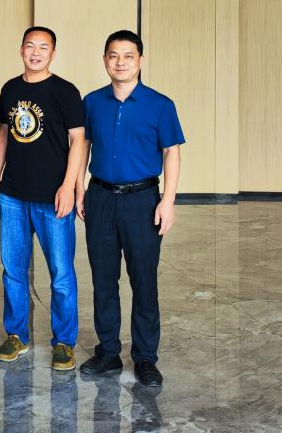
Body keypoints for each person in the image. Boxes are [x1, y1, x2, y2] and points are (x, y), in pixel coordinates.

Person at [77, 30, 184, 388]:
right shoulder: (93, 102)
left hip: (143, 200)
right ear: (105, 60)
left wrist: (168, 200)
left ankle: (145, 357)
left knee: (144, 279)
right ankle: (108, 351)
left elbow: (171, 152)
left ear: (140, 60)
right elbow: (83, 147)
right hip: (101, 196)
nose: (120, 62)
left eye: (128, 56)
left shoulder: (160, 104)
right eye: (113, 55)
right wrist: (79, 189)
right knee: (103, 278)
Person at [0, 26, 86, 370]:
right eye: (30, 46)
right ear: (21, 50)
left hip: (52, 198)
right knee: (13, 270)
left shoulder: (65, 91)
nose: (36, 52)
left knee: (61, 274)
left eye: (43, 47)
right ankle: (16, 335)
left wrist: (69, 186)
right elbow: (3, 134)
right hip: (13, 195)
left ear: (53, 54)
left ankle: (64, 342)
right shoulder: (10, 88)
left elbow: (78, 141)